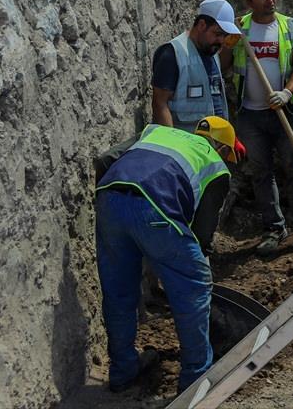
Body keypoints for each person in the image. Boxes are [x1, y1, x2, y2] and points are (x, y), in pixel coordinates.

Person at [94, 116, 245, 395]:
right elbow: (202, 233)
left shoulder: (156, 132)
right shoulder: (215, 165)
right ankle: (196, 380)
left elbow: (105, 160)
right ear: (224, 149)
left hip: (109, 199)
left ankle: (123, 371)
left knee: (119, 292)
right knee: (194, 288)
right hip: (156, 210)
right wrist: (184, 257)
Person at [224, 0, 293, 255]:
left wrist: (287, 93)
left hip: (286, 111)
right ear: (250, 1)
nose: (270, 0)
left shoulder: (290, 26)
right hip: (251, 115)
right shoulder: (241, 29)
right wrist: (229, 41)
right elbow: (224, 65)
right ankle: (274, 229)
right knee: (261, 172)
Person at [151, 0, 241, 130]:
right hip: (184, 144)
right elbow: (160, 104)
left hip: (211, 144)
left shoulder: (211, 52)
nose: (221, 40)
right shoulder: (172, 54)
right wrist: (171, 144)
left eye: (225, 35)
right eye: (217, 34)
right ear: (201, 25)